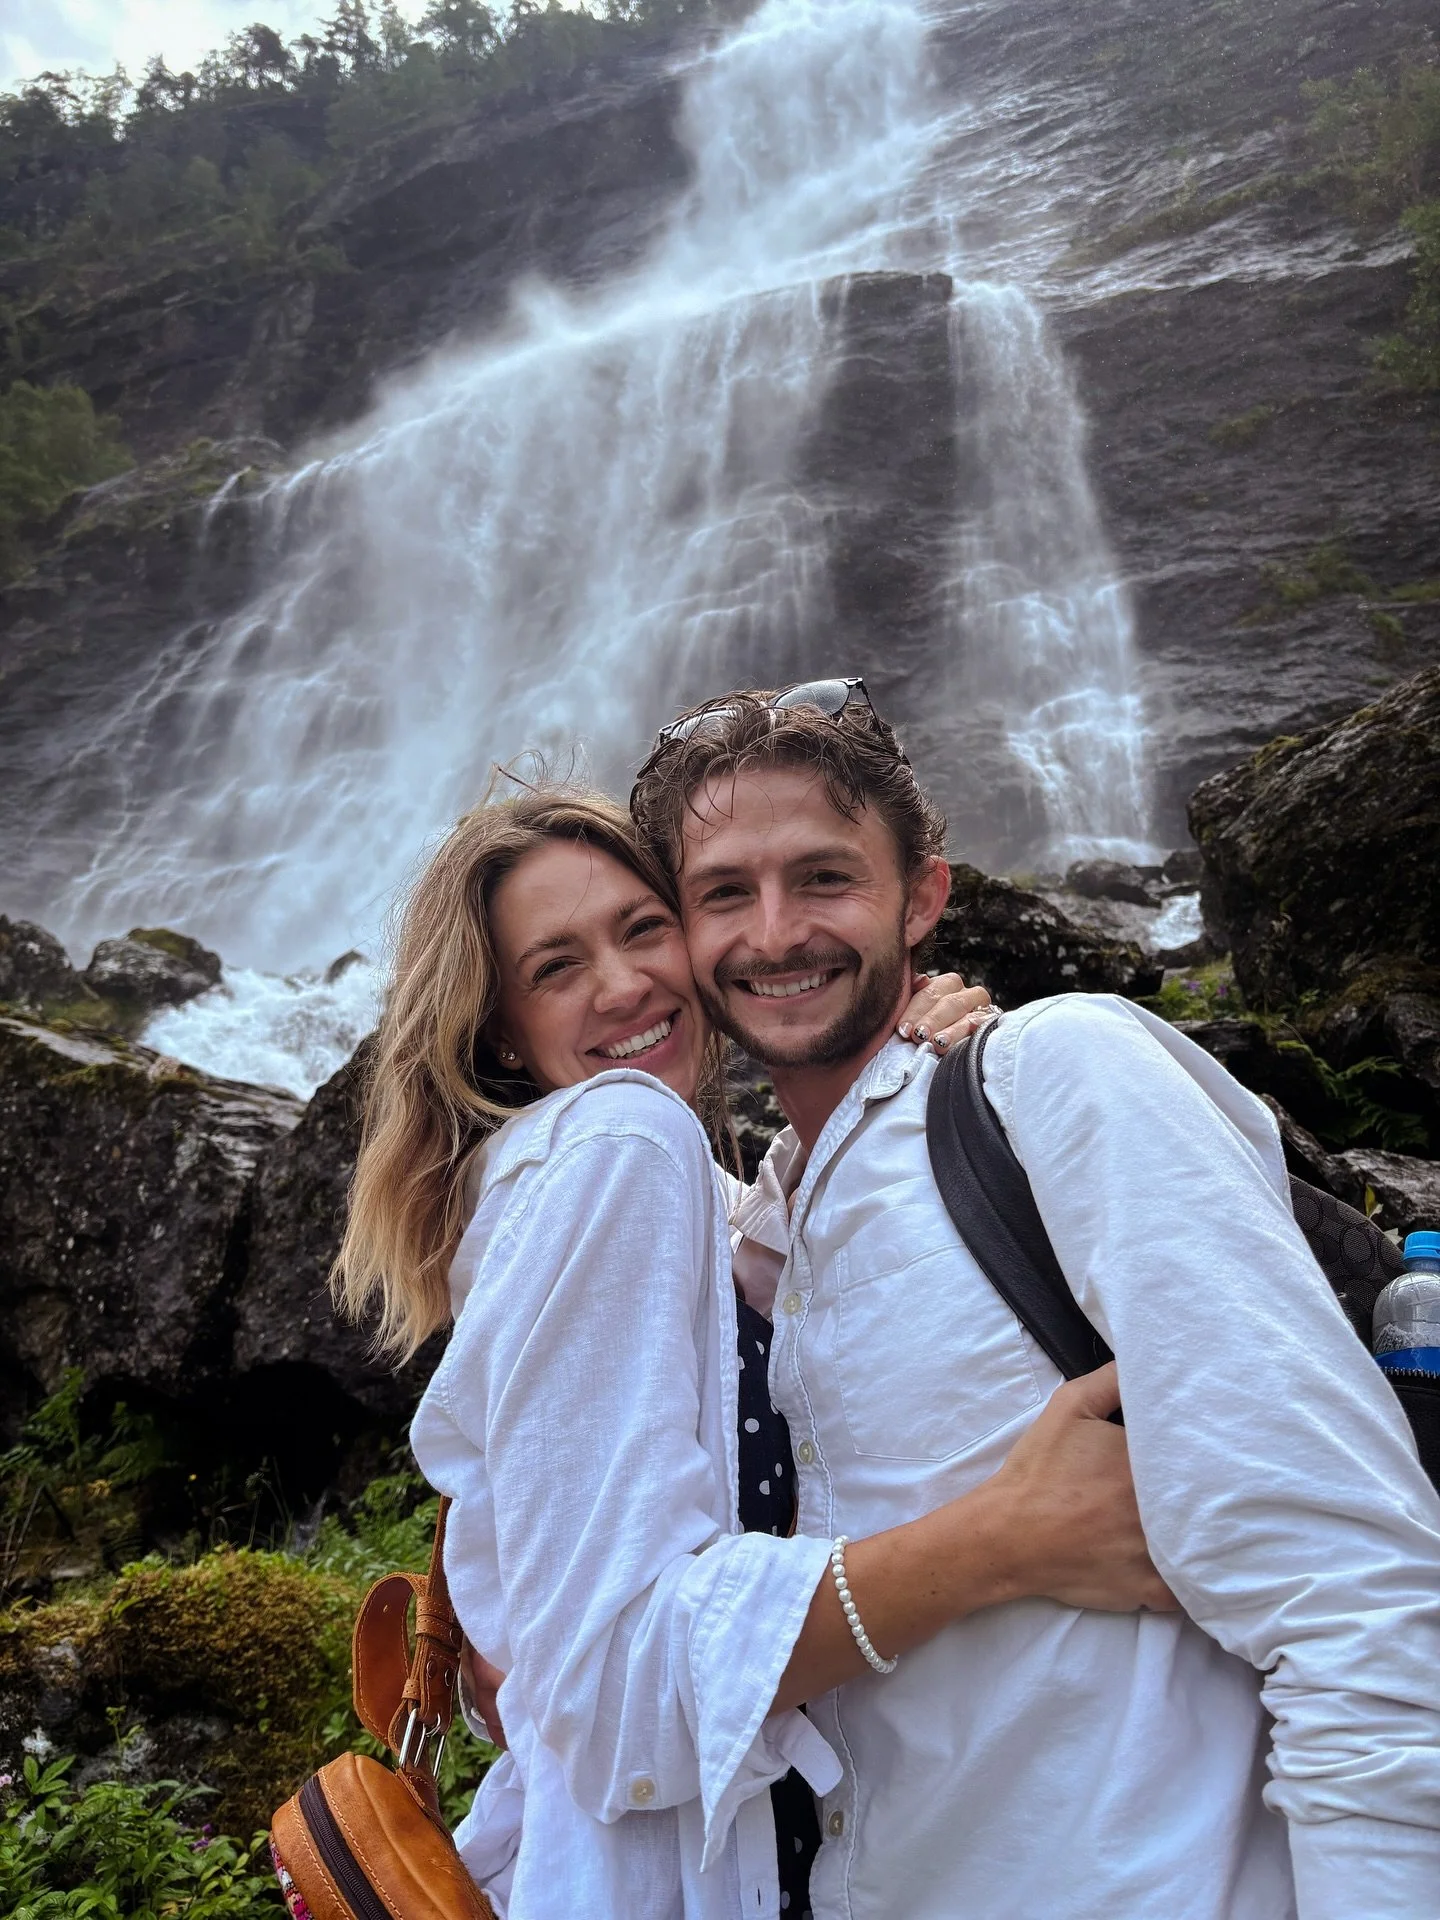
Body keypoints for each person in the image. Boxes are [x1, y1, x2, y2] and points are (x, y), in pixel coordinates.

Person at [626, 678, 1440, 1920]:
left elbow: (1353, 1595)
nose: (776, 932)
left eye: (826, 878)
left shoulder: (1059, 1073)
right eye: (725, 893)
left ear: (925, 898)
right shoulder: (751, 1244)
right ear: (677, 938)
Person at [332, 785, 1171, 1920]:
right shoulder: (618, 1142)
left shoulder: (655, 1194)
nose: (624, 985)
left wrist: (907, 1061)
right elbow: (608, 1685)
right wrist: (1003, 1542)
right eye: (556, 967)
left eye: (643, 928)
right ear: (498, 1032)